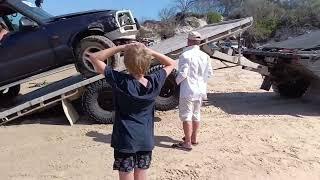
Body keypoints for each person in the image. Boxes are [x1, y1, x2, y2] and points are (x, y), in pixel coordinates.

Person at [87, 43, 175, 180]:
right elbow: (171, 63)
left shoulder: (120, 81)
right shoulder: (155, 82)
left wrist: (121, 48)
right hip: (145, 140)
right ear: (148, 62)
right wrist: (150, 52)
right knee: (141, 176)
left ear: (126, 64)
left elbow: (94, 57)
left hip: (125, 140)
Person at [172, 31, 213, 151]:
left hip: (188, 90)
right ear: (199, 42)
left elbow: (183, 74)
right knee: (196, 114)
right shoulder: (205, 56)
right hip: (200, 90)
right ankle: (194, 138)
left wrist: (175, 82)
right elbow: (209, 73)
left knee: (186, 116)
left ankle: (187, 143)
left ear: (188, 41)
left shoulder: (185, 55)